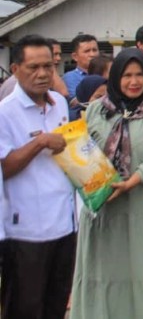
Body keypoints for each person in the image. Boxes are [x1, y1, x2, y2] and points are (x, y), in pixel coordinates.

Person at [70, 48, 143, 318]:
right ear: (115, 78)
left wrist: (131, 181)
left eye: (139, 75)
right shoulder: (98, 109)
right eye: (126, 75)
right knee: (106, 275)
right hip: (105, 208)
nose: (134, 82)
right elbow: (85, 152)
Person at [0, 34, 76, 319]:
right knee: (24, 308)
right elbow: (5, 167)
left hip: (64, 225)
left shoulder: (58, 102)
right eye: (34, 67)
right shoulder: (5, 113)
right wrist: (40, 142)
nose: (43, 74)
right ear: (16, 69)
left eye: (48, 66)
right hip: (25, 230)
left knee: (55, 305)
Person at [64, 33, 99, 98]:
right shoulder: (70, 78)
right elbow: (78, 101)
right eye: (87, 51)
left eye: (95, 50)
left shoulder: (106, 73)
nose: (92, 54)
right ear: (75, 57)